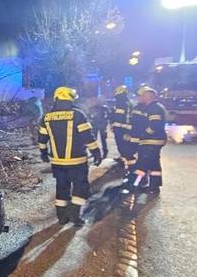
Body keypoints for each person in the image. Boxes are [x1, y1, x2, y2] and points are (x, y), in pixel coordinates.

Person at [38, 87, 102, 226]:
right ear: (71, 99)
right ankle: (75, 216)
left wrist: (43, 153)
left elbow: (42, 139)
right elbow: (87, 137)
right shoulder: (78, 115)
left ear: (56, 98)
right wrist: (96, 153)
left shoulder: (47, 117)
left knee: (62, 188)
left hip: (58, 163)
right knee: (80, 187)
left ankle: (62, 217)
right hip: (77, 161)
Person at [126, 86, 167, 194]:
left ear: (148, 96)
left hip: (151, 141)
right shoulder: (154, 107)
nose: (139, 98)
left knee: (142, 164)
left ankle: (135, 185)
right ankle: (154, 186)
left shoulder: (153, 108)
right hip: (154, 140)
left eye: (140, 96)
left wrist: (143, 135)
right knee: (154, 164)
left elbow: (154, 126)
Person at [110, 85, 133, 166]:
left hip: (121, 129)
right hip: (126, 128)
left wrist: (112, 119)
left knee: (122, 146)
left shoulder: (121, 103)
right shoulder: (128, 102)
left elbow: (118, 117)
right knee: (125, 146)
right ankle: (124, 159)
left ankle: (127, 163)